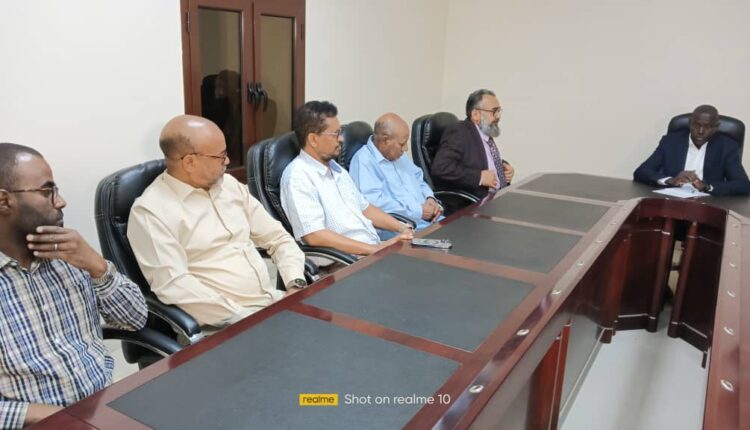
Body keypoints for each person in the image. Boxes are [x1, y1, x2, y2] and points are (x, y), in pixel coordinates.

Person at [0, 143, 147, 428]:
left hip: (106, 407)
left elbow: (136, 319)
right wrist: (49, 415)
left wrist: (97, 267)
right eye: (47, 191)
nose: (61, 202)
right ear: (4, 201)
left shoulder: (71, 254)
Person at [127, 115, 307, 329]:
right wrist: (246, 317)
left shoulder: (229, 185)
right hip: (223, 327)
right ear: (190, 162)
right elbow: (176, 286)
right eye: (220, 156)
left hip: (271, 303)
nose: (227, 161)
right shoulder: (151, 211)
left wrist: (295, 285)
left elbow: (277, 237)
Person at [280, 101, 414, 256]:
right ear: (313, 139)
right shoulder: (298, 176)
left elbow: (365, 208)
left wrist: (401, 228)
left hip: (371, 250)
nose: (341, 139)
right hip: (345, 261)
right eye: (335, 134)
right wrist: (374, 250)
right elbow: (315, 235)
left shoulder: (336, 169)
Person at [349, 113, 443, 238]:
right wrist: (419, 211)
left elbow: (418, 178)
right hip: (405, 231)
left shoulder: (399, 155)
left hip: (431, 221)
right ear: (385, 140)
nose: (406, 149)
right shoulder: (364, 161)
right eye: (402, 144)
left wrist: (430, 199)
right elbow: (374, 205)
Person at [633, 104, 750, 195]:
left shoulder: (727, 147)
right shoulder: (671, 141)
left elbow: (743, 185)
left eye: (707, 127)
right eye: (696, 125)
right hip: (672, 200)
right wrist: (671, 180)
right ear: (690, 123)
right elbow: (641, 172)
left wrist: (707, 186)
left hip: (707, 205)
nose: (700, 131)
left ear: (716, 127)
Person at [431, 89, 515, 199]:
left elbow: (478, 159)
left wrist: (503, 167)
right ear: (475, 114)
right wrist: (479, 177)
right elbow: (441, 167)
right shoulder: (459, 132)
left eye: (499, 111)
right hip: (476, 202)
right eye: (494, 111)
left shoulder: (484, 132)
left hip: (499, 196)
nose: (498, 116)